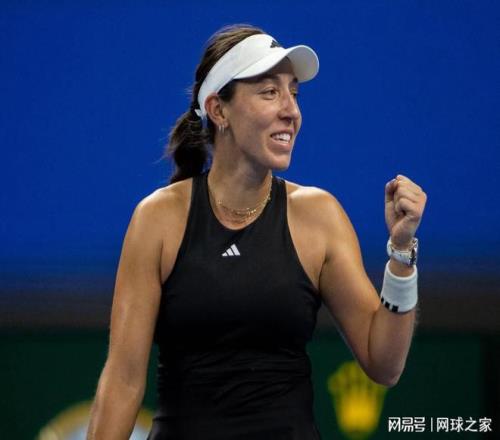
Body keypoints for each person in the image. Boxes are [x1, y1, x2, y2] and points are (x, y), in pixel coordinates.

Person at [86, 24, 427, 440]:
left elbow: (384, 364)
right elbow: (122, 381)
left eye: (294, 93)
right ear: (218, 110)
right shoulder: (157, 219)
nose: (291, 110)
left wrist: (401, 252)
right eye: (269, 92)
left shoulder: (319, 216)